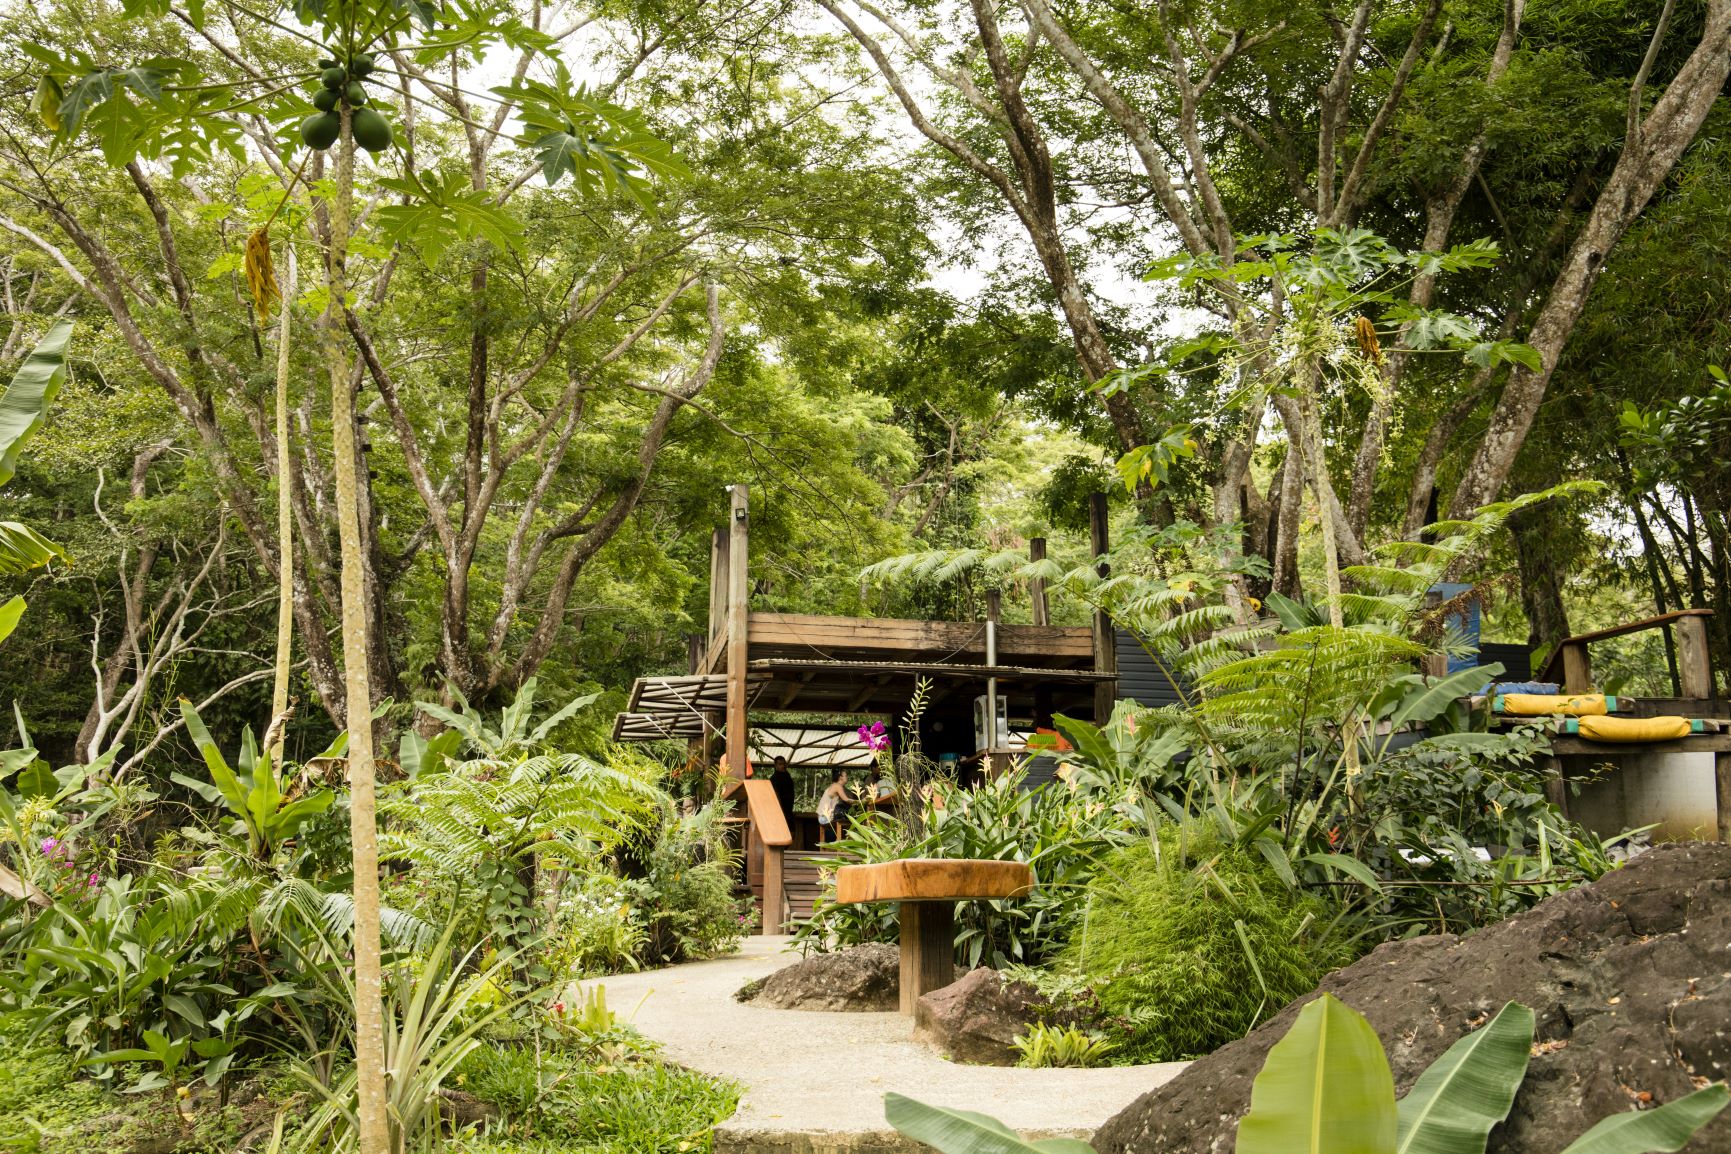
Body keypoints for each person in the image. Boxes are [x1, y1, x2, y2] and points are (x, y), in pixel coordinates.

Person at [816, 769, 851, 843]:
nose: (847, 777)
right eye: (845, 775)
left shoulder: (834, 785)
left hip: (822, 816)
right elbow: (846, 800)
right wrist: (860, 801)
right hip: (825, 817)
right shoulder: (838, 786)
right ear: (840, 777)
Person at [768, 755, 796, 839]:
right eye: (780, 764)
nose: (782, 766)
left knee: (791, 833)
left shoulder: (787, 776)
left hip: (788, 810)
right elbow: (776, 794)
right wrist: (780, 811)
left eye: (784, 764)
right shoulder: (775, 778)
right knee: (784, 834)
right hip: (780, 811)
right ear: (775, 765)